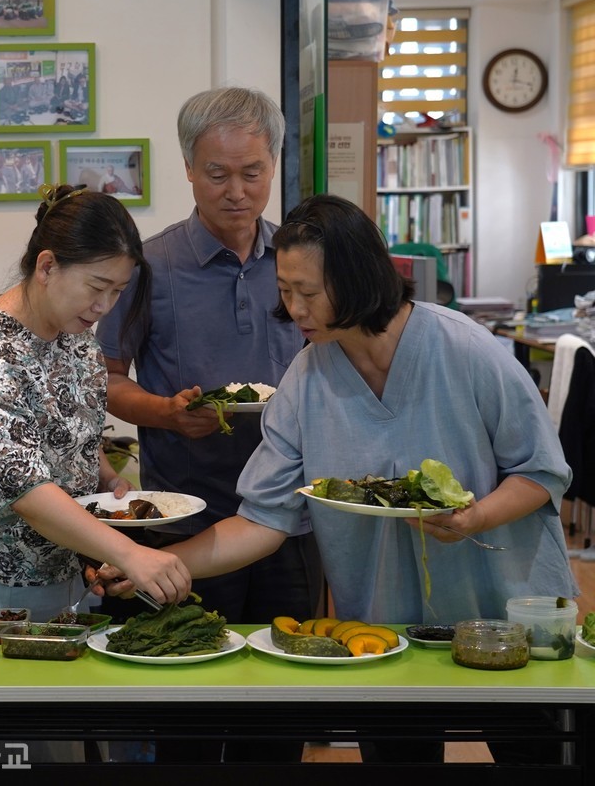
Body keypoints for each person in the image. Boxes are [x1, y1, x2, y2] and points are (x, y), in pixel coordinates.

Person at [114, 193, 578, 764]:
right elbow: (262, 520)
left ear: (357, 279)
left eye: (308, 292)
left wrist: (475, 517)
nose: (294, 308)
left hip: (504, 616)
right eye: (284, 291)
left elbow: (541, 471)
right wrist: (153, 563)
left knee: (536, 761)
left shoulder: (465, 349)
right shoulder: (306, 380)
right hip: (384, 629)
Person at [96, 86, 321, 627]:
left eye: (253, 172)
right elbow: (105, 380)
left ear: (274, 165)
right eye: (217, 174)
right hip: (183, 520)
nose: (236, 192)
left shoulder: (300, 263)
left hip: (290, 515)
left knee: (286, 664)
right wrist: (166, 413)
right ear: (189, 170)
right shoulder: (150, 266)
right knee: (186, 665)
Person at [0, 184, 192, 620]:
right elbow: (25, 490)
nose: (104, 306)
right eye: (97, 286)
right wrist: (129, 553)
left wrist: (104, 477)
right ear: (47, 266)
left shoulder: (76, 338)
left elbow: (65, 426)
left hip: (65, 564)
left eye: (118, 291)